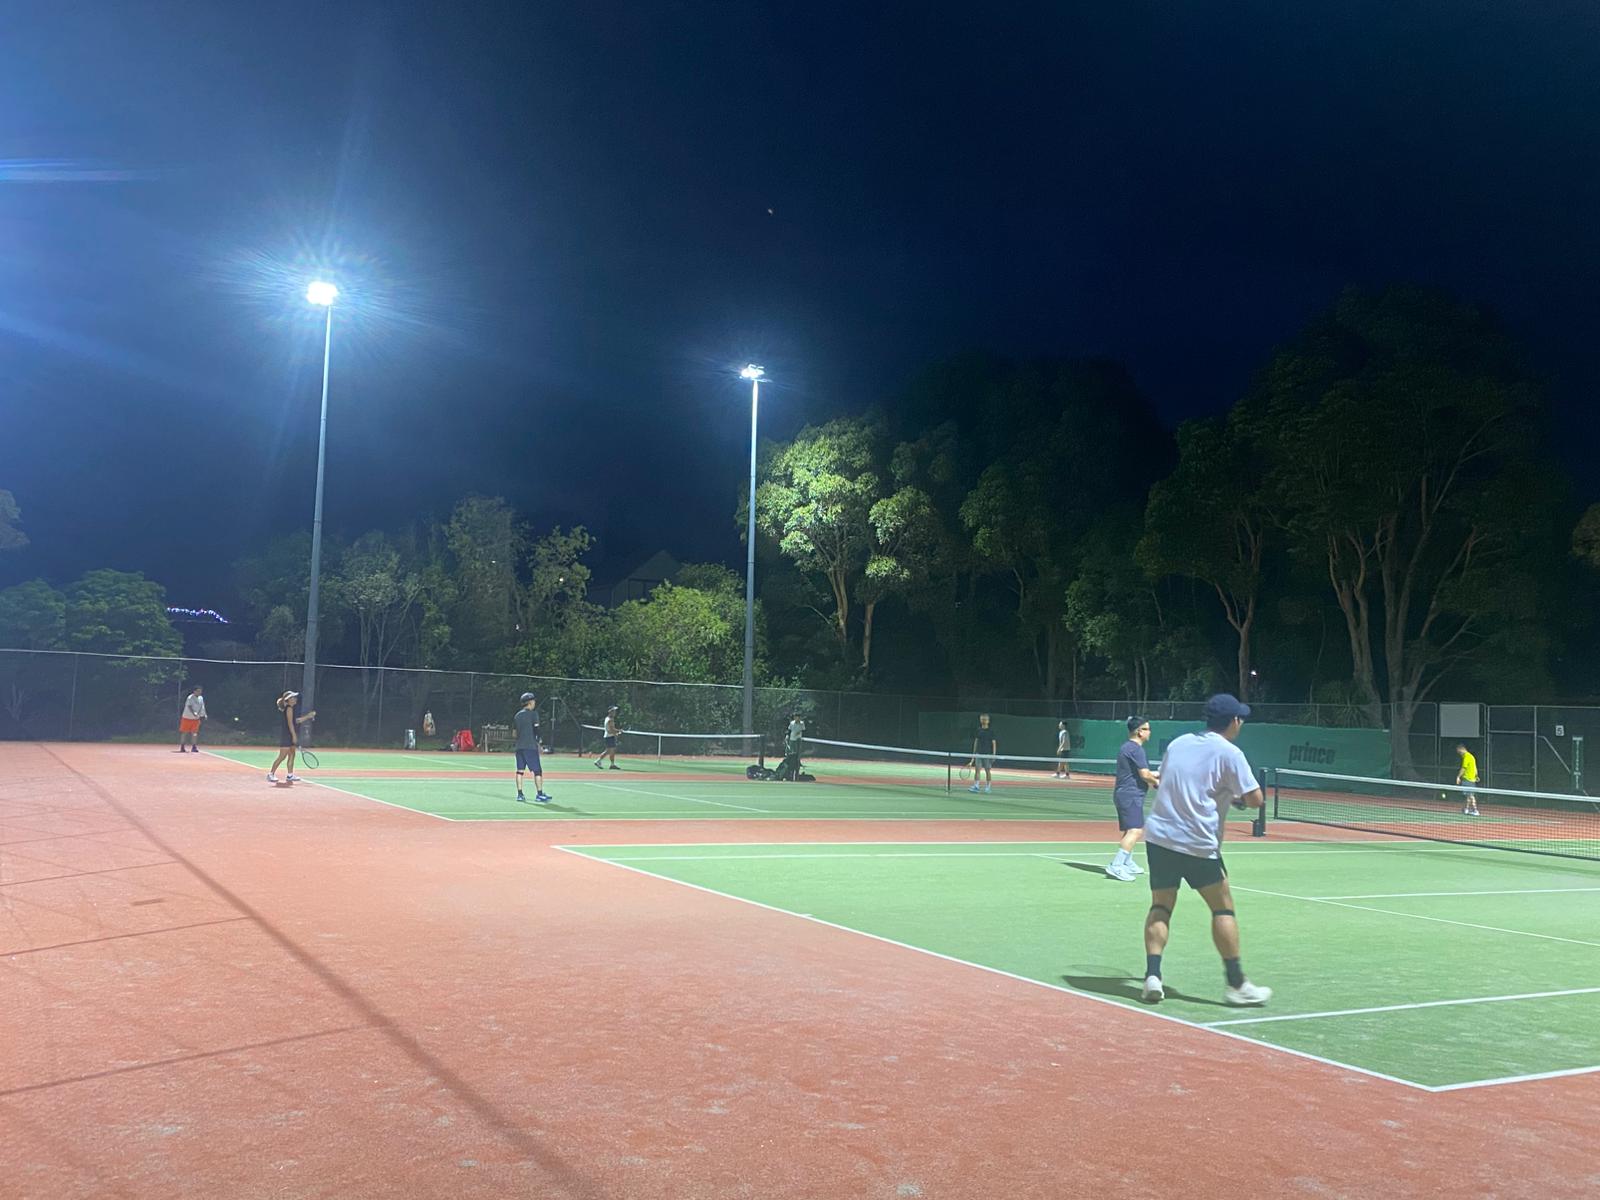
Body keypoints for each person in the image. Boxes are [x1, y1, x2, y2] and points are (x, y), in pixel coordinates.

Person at [1139, 694, 1271, 1007]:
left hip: (1159, 838)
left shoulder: (1179, 742)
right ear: (1233, 721)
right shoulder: (1230, 752)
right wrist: (1236, 797)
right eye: (1240, 718)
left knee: (1161, 907)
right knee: (1222, 909)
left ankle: (1152, 977)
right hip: (1198, 844)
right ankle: (1237, 984)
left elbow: (1170, 780)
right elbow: (1256, 800)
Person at [1107, 716, 1159, 881]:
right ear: (1139, 731)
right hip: (1130, 795)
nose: (1150, 732)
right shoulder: (1136, 749)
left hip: (1126, 794)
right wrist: (1157, 783)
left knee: (1131, 830)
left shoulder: (1127, 748)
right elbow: (1145, 775)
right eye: (1147, 728)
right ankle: (1116, 865)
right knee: (1135, 831)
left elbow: (1141, 773)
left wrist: (1157, 775)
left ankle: (1127, 862)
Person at [267, 691, 313, 785]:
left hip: (290, 734)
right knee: (282, 756)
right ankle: (270, 774)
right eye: (293, 697)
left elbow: (297, 720)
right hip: (287, 735)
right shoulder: (289, 709)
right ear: (289, 700)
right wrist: (294, 735)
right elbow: (290, 723)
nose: (295, 699)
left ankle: (290, 775)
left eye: (295, 697)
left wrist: (308, 716)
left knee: (292, 754)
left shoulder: (291, 708)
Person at [514, 693, 551, 803]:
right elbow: (537, 730)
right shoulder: (533, 714)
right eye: (533, 701)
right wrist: (539, 742)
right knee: (537, 771)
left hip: (519, 747)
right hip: (530, 747)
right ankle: (539, 794)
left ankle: (520, 794)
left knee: (520, 771)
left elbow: (514, 733)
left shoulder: (517, 715)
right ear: (529, 702)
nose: (534, 703)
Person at [968, 713, 997, 794]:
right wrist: (973, 754)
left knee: (988, 771)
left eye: (985, 719)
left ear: (988, 721)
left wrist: (994, 755)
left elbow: (994, 743)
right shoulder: (978, 730)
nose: (983, 721)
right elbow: (976, 742)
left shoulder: (991, 732)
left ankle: (988, 787)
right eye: (982, 719)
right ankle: (976, 786)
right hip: (978, 754)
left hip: (987, 754)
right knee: (977, 770)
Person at [176, 685, 207, 753]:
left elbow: (202, 707)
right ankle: (182, 747)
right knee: (184, 733)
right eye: (198, 691)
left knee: (194, 733)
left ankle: (194, 747)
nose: (199, 692)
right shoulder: (190, 698)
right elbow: (189, 706)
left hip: (196, 719)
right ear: (194, 691)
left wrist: (204, 714)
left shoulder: (201, 698)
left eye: (200, 691)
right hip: (187, 718)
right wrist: (194, 713)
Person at [594, 706, 622, 770]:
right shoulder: (610, 720)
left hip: (608, 737)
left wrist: (617, 731)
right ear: (610, 712)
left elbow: (611, 729)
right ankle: (599, 761)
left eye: (615, 711)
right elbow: (611, 730)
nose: (615, 712)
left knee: (609, 751)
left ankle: (608, 763)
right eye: (613, 711)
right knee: (610, 751)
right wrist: (617, 732)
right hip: (609, 737)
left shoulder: (607, 718)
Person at [1456, 743, 1481, 816]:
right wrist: (1476, 775)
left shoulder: (1466, 757)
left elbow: (1464, 768)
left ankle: (1475, 810)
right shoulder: (1472, 757)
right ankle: (1466, 809)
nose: (1459, 753)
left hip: (1468, 779)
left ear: (1461, 749)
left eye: (1459, 751)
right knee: (1468, 795)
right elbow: (1475, 768)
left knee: (1470, 795)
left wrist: (1458, 777)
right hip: (1472, 779)